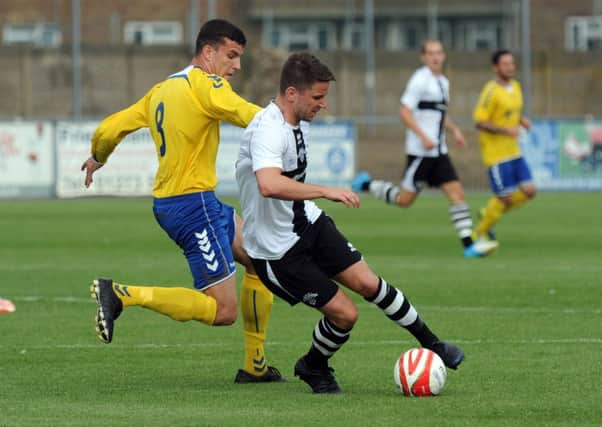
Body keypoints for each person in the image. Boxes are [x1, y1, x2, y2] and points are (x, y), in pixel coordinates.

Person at [235, 52, 464, 394]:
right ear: (292, 93)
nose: (323, 105)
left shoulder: (301, 122)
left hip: (306, 222)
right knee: (345, 315)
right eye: (317, 97)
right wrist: (326, 190)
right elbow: (269, 184)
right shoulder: (268, 129)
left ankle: (433, 344)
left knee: (370, 283)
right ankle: (313, 365)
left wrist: (316, 198)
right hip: (276, 250)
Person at [80, 19, 282, 383]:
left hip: (193, 201)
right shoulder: (207, 84)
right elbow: (245, 113)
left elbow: (110, 129)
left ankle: (255, 367)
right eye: (231, 56)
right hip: (192, 206)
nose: (236, 66)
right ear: (209, 52)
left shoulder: (161, 90)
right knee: (223, 312)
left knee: (260, 259)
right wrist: (286, 124)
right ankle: (122, 294)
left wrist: (98, 156)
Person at [351, 39, 498, 258]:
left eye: (438, 52)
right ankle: (366, 183)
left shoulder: (443, 82)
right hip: (421, 153)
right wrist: (424, 137)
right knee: (404, 200)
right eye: (430, 53)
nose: (435, 57)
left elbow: (438, 113)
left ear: (444, 55)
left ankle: (469, 245)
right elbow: (404, 111)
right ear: (423, 57)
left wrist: (454, 129)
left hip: (439, 152)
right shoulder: (420, 80)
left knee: (457, 193)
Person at [472, 49, 536, 242]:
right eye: (505, 64)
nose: (510, 67)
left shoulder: (516, 86)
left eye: (512, 63)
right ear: (496, 67)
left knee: (529, 191)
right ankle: (477, 235)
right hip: (496, 153)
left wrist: (521, 120)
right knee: (504, 198)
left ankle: (488, 212)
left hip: (514, 151)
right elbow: (480, 122)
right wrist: (505, 130)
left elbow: (511, 114)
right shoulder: (490, 91)